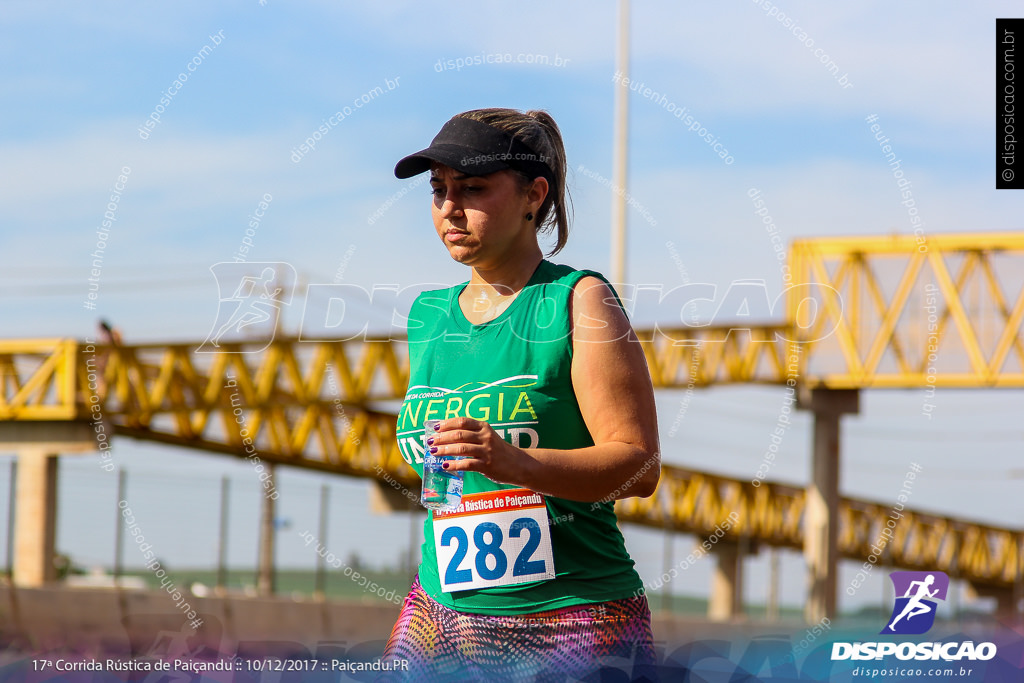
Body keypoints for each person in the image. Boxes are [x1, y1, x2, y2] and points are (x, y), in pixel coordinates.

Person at [381, 108, 661, 681]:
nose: (449, 208)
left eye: (474, 188)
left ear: (535, 194)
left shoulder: (579, 301)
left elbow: (640, 468)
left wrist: (517, 462)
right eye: (438, 191)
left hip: (578, 619)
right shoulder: (426, 315)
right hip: (441, 614)